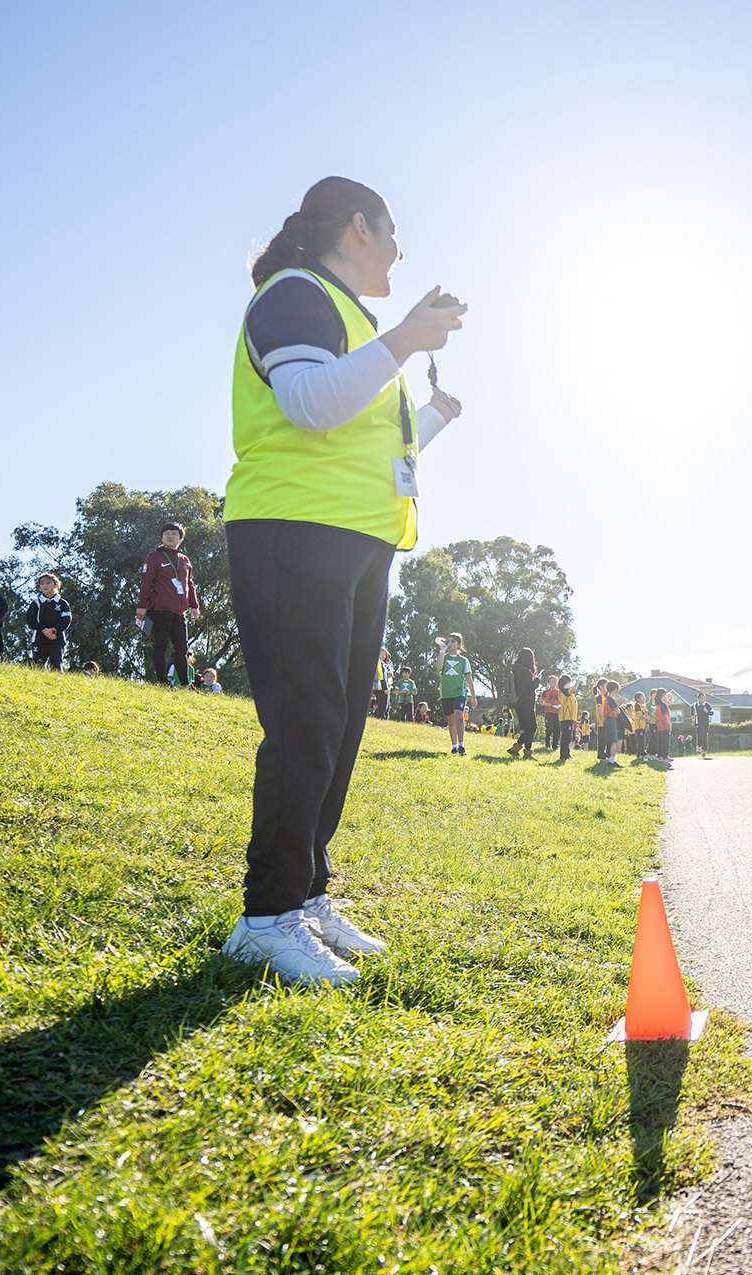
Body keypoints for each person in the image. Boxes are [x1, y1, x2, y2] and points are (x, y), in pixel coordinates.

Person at [217, 176, 467, 988]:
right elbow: (308, 406)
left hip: (358, 541)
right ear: (358, 227)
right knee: (305, 724)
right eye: (394, 234)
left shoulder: (355, 321)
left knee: (338, 727)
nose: (401, 252)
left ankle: (307, 895)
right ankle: (266, 918)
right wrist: (404, 339)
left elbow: (367, 445)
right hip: (294, 532)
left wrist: (432, 418)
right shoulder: (294, 295)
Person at [137, 522, 202, 687]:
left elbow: (190, 584)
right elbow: (146, 582)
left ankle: (186, 685)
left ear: (180, 538)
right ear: (161, 537)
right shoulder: (154, 557)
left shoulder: (185, 560)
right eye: (166, 533)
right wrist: (141, 605)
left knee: (181, 649)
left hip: (179, 612)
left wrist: (194, 606)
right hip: (159, 609)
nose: (170, 536)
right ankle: (162, 682)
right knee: (161, 645)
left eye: (174, 533)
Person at [25, 573, 75, 671]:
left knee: (56, 666)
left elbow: (66, 620)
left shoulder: (62, 603)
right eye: (42, 583)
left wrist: (53, 630)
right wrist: (44, 629)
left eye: (48, 583)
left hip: (57, 640)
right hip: (39, 640)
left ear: (56, 585)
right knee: (37, 666)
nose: (45, 586)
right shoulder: (36, 603)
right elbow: (30, 620)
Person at [436, 635, 475, 755]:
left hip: (460, 692)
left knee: (459, 716)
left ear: (459, 645)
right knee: (451, 720)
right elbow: (438, 667)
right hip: (446, 693)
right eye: (448, 641)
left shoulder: (463, 661)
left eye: (453, 642)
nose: (450, 643)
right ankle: (454, 747)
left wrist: (473, 696)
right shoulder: (444, 657)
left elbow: (469, 679)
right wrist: (442, 651)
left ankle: (461, 745)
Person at [509, 647, 539, 759]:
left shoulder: (516, 670)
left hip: (519, 702)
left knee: (528, 728)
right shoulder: (524, 671)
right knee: (531, 728)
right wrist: (537, 680)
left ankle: (516, 748)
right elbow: (530, 687)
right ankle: (527, 753)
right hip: (526, 702)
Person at [598, 681, 621, 764]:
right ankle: (612, 760)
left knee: (611, 740)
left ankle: (610, 759)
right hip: (611, 720)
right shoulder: (610, 699)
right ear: (615, 690)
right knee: (614, 741)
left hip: (608, 720)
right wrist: (616, 711)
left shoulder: (607, 699)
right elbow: (618, 711)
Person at [555, 678, 578, 761]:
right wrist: (577, 682)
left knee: (568, 736)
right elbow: (574, 690)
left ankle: (566, 754)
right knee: (566, 737)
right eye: (568, 682)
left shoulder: (568, 692)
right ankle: (564, 755)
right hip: (566, 717)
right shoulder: (564, 692)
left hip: (570, 717)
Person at [540, 676, 564, 750]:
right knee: (549, 729)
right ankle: (547, 741)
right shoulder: (545, 692)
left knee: (557, 730)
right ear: (548, 683)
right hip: (549, 712)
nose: (553, 683)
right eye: (551, 681)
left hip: (558, 713)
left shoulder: (560, 692)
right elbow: (541, 702)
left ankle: (555, 745)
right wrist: (546, 704)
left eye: (555, 681)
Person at [652, 688, 674, 764]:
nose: (666, 697)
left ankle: (660, 756)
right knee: (666, 741)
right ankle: (665, 756)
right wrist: (670, 725)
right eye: (665, 695)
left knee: (660, 741)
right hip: (665, 726)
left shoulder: (658, 705)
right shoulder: (663, 705)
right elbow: (666, 716)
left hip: (659, 726)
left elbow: (653, 714)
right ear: (663, 695)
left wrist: (659, 719)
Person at [372, 648, 393, 720]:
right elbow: (382, 676)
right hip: (381, 687)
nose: (383, 656)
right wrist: (385, 688)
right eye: (381, 654)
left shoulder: (385, 665)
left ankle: (381, 717)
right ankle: (381, 718)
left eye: (385, 654)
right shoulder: (380, 664)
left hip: (378, 686)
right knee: (383, 705)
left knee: (383, 704)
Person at [693, 690, 713, 758]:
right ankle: (699, 746)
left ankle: (704, 750)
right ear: (698, 699)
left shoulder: (707, 705)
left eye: (704, 698)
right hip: (698, 722)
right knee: (700, 733)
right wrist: (692, 717)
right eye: (701, 698)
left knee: (705, 735)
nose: (703, 700)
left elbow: (712, 712)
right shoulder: (695, 705)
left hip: (705, 723)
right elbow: (692, 712)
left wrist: (707, 712)